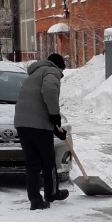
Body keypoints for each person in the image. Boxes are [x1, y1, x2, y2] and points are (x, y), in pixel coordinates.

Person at [14, 52, 69, 210]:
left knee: (32, 163)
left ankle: (35, 200)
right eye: (62, 71)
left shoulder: (34, 74)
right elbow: (50, 90)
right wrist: (54, 115)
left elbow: (35, 103)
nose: (61, 74)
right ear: (59, 66)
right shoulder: (51, 72)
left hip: (22, 123)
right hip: (38, 125)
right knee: (48, 161)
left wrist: (55, 128)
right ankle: (52, 193)